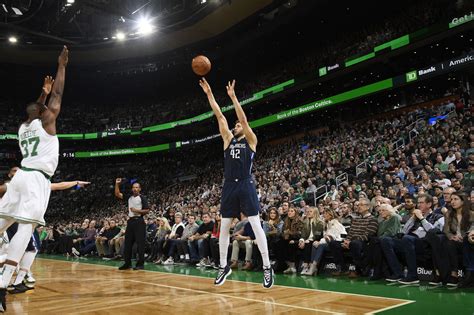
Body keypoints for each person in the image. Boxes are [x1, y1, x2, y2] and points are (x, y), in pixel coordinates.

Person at [0, 46, 68, 312]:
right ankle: (4, 283)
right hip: (36, 179)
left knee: (3, 221)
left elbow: (37, 107)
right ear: (43, 111)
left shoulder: (22, 127)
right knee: (25, 229)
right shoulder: (47, 121)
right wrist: (61, 65)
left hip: (20, 176)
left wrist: (42, 93)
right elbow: (59, 94)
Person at [199, 78, 274, 288]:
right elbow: (219, 115)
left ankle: (267, 268)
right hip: (229, 185)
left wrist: (233, 97)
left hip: (245, 184)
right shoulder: (227, 140)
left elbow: (243, 118)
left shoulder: (251, 140)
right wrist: (209, 94)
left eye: (239, 125)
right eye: (235, 125)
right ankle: (224, 267)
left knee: (257, 226)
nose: (236, 125)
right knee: (223, 228)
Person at [114, 178, 150, 270]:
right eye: (133, 187)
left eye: (137, 187)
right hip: (130, 222)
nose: (135, 189)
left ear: (140, 189)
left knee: (140, 244)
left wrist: (136, 210)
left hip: (139, 221)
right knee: (127, 243)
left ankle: (140, 264)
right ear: (132, 189)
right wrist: (117, 184)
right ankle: (127, 263)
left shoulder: (143, 198)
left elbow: (147, 210)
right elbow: (117, 194)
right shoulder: (129, 197)